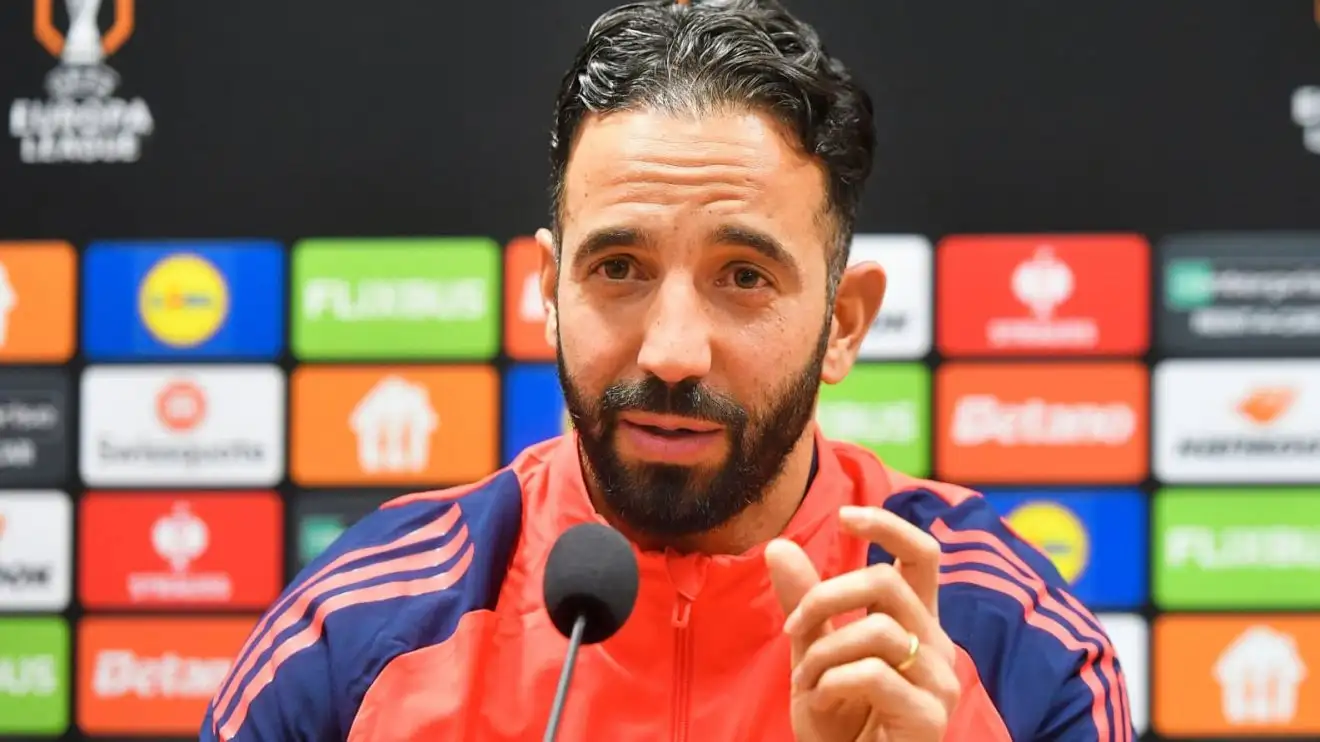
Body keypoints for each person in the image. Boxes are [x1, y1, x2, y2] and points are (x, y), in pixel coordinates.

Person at [201, 0, 1134, 739]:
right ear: (549, 291)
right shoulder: (360, 631)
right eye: (618, 268)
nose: (672, 352)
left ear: (842, 321)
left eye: (743, 277)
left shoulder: (1010, 647)